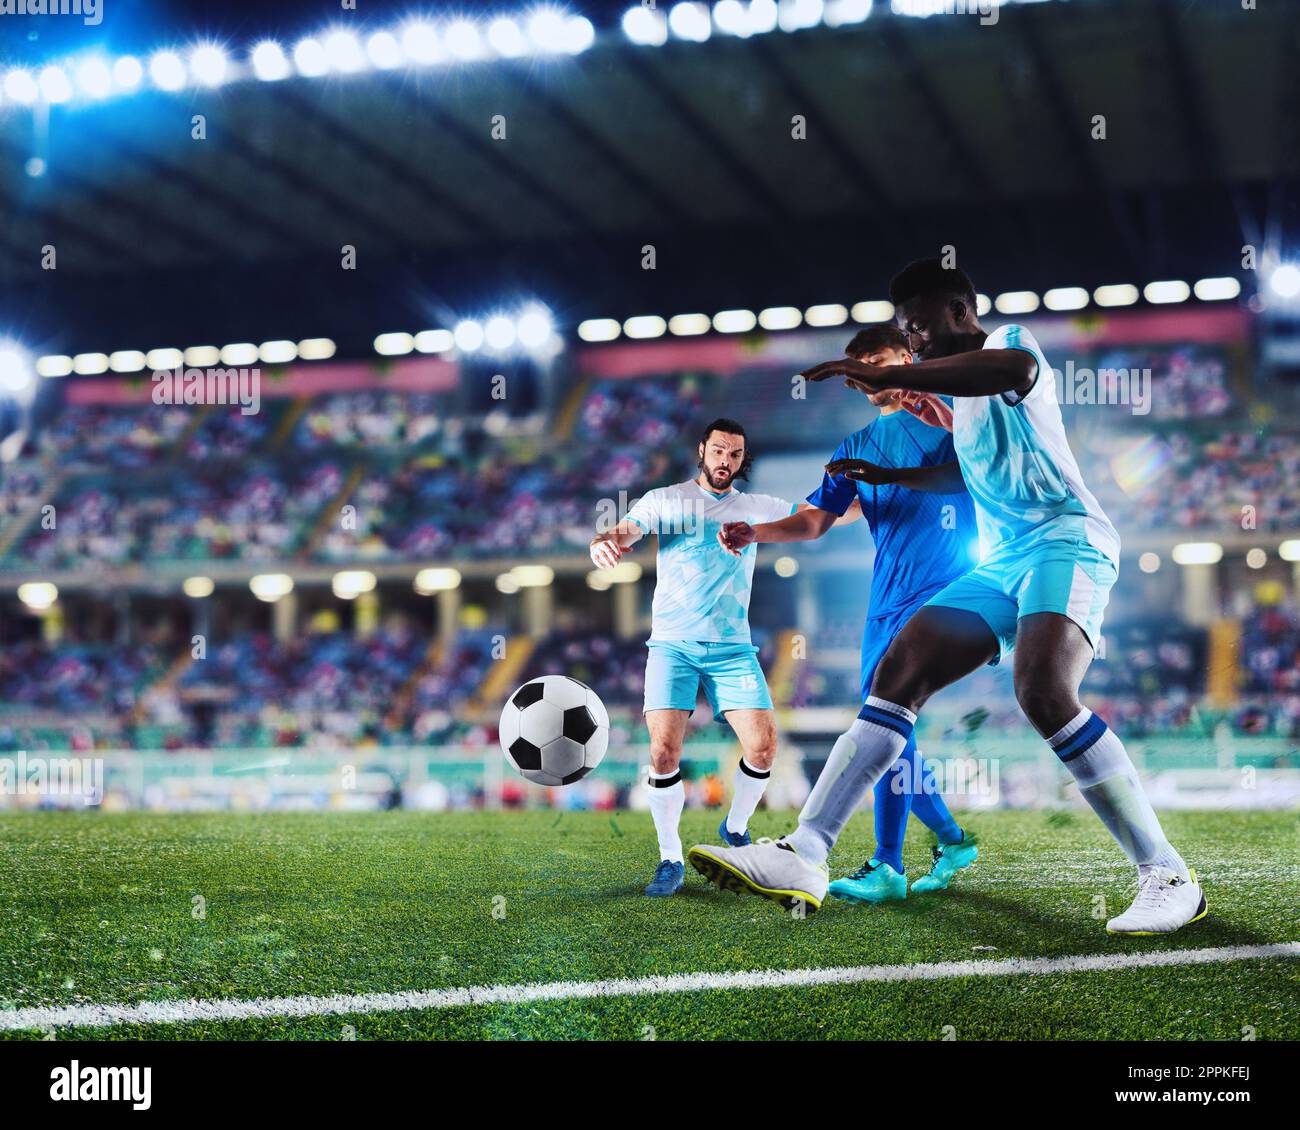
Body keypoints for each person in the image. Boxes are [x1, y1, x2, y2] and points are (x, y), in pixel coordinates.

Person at [689, 258, 1204, 936]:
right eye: (907, 331)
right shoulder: (956, 406)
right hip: (1002, 558)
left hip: (1064, 539)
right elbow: (955, 478)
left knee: (1043, 692)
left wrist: (894, 373)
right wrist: (891, 460)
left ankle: (1166, 872)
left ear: (961, 312)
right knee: (896, 673)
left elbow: (1009, 376)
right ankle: (807, 850)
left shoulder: (1010, 346)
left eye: (920, 327)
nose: (916, 341)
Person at [716, 324, 979, 902]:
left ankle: (889, 864)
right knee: (884, 729)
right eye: (858, 367)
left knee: (886, 723)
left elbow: (979, 471)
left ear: (907, 359)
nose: (867, 375)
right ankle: (952, 840)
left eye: (878, 361)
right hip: (885, 599)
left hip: (951, 588)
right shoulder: (854, 446)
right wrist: (753, 531)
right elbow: (816, 520)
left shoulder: (951, 416)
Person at [590, 418, 858, 897]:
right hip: (672, 644)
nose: (725, 461)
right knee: (663, 752)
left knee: (763, 746)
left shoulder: (757, 507)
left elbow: (823, 514)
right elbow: (625, 531)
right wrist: (604, 542)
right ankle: (670, 858)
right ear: (702, 450)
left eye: (734, 454)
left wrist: (876, 499)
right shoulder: (666, 500)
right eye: (718, 451)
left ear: (741, 459)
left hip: (733, 648)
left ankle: (734, 828)